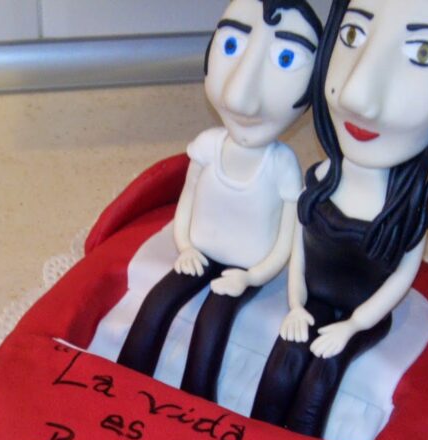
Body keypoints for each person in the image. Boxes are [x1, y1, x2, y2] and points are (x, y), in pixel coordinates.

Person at [251, 0, 428, 436]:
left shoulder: (407, 212)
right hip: (313, 301)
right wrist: (297, 305)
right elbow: (299, 249)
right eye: (352, 35)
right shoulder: (319, 180)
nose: (355, 95)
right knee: (284, 362)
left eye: (424, 53)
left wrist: (353, 326)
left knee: (323, 376)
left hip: (364, 316)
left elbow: (399, 280)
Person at [117, 0, 322, 402]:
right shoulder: (208, 146)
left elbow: (288, 237)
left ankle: (196, 404)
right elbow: (188, 199)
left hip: (246, 268)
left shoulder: (281, 165)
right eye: (231, 46)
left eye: (285, 59)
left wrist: (252, 277)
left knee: (213, 323)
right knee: (157, 303)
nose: (240, 99)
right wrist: (186, 246)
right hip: (200, 252)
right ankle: (120, 383)